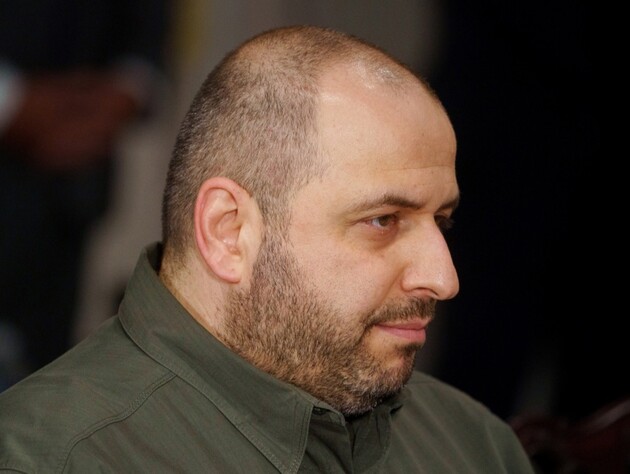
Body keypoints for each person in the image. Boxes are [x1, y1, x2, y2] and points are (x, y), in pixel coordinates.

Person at [0, 26, 535, 472]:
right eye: (383, 220)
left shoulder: (475, 442)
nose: (444, 278)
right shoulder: (50, 459)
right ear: (228, 232)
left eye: (442, 221)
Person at [0, 0, 171, 389]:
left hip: (69, 210)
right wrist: (12, 103)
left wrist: (120, 94)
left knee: (42, 382)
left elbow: (146, 34)